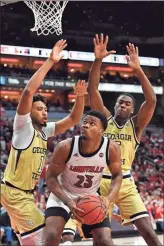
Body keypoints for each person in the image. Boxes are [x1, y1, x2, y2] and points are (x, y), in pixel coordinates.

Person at [1, 39, 88, 246]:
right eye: (39, 109)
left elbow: (74, 120)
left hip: (24, 196)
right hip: (15, 195)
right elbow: (28, 92)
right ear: (28, 111)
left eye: (46, 109)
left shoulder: (44, 131)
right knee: (50, 238)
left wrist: (80, 97)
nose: (44, 112)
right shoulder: (23, 128)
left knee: (33, 242)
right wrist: (50, 60)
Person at [88, 33, 161, 246]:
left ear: (132, 110)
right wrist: (98, 59)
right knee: (100, 238)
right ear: (114, 106)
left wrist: (138, 69)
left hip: (126, 182)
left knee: (149, 232)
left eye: (128, 104)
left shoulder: (135, 126)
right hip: (99, 181)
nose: (123, 105)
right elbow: (92, 90)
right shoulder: (103, 121)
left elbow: (152, 100)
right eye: (120, 102)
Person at [44, 110, 122, 246]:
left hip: (91, 197)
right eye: (85, 122)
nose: (85, 125)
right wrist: (68, 201)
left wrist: (107, 200)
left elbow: (117, 175)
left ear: (101, 131)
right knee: (51, 237)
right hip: (63, 195)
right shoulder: (65, 146)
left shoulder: (111, 148)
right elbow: (50, 177)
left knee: (105, 241)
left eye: (92, 123)